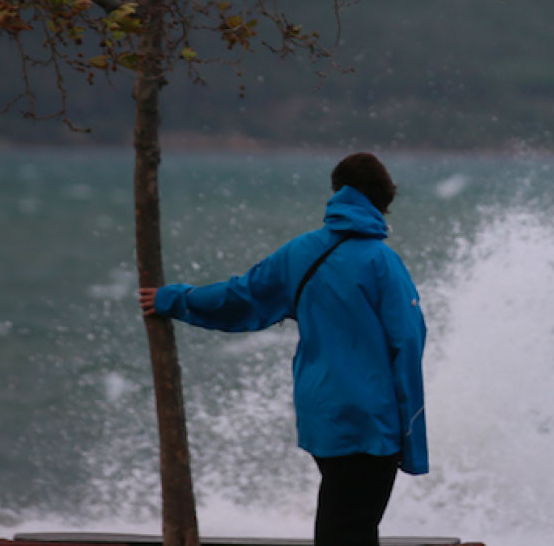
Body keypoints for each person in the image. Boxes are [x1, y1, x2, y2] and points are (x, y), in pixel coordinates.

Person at [138, 152, 428, 546]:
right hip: (370, 418)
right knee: (351, 528)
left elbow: (239, 297)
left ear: (337, 193)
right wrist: (411, 435)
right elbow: (408, 342)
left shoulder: (301, 252)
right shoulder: (383, 262)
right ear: (383, 200)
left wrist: (174, 298)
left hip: (321, 411)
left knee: (344, 517)